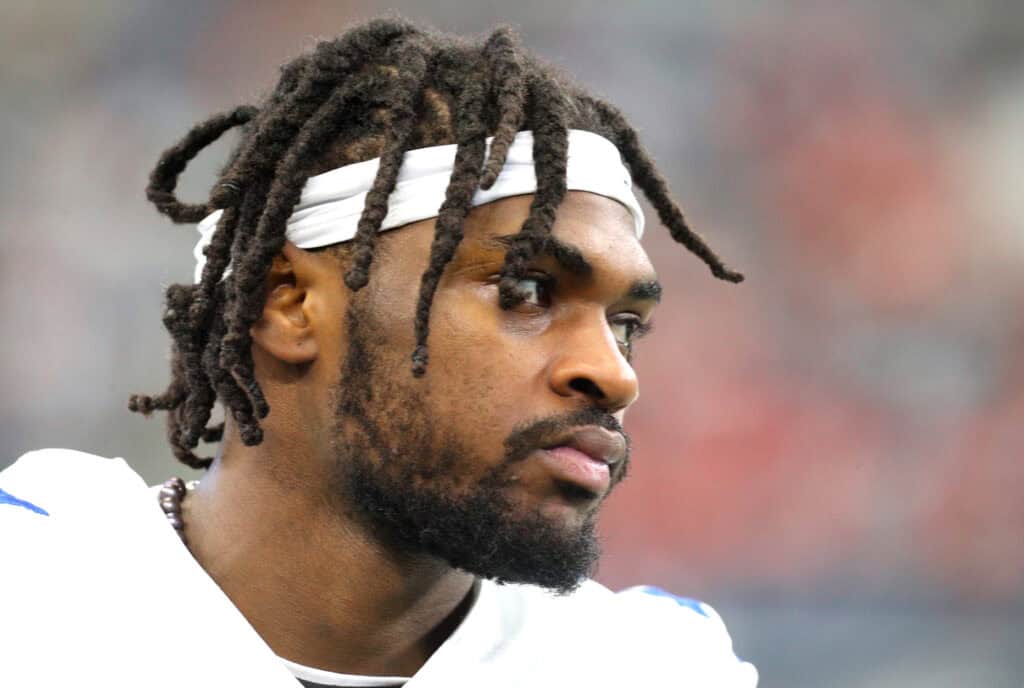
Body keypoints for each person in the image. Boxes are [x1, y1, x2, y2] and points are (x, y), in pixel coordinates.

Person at [0, 18, 757, 687]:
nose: (614, 374)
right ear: (288, 304)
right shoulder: (31, 599)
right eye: (525, 289)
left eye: (627, 323)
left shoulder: (652, 669)